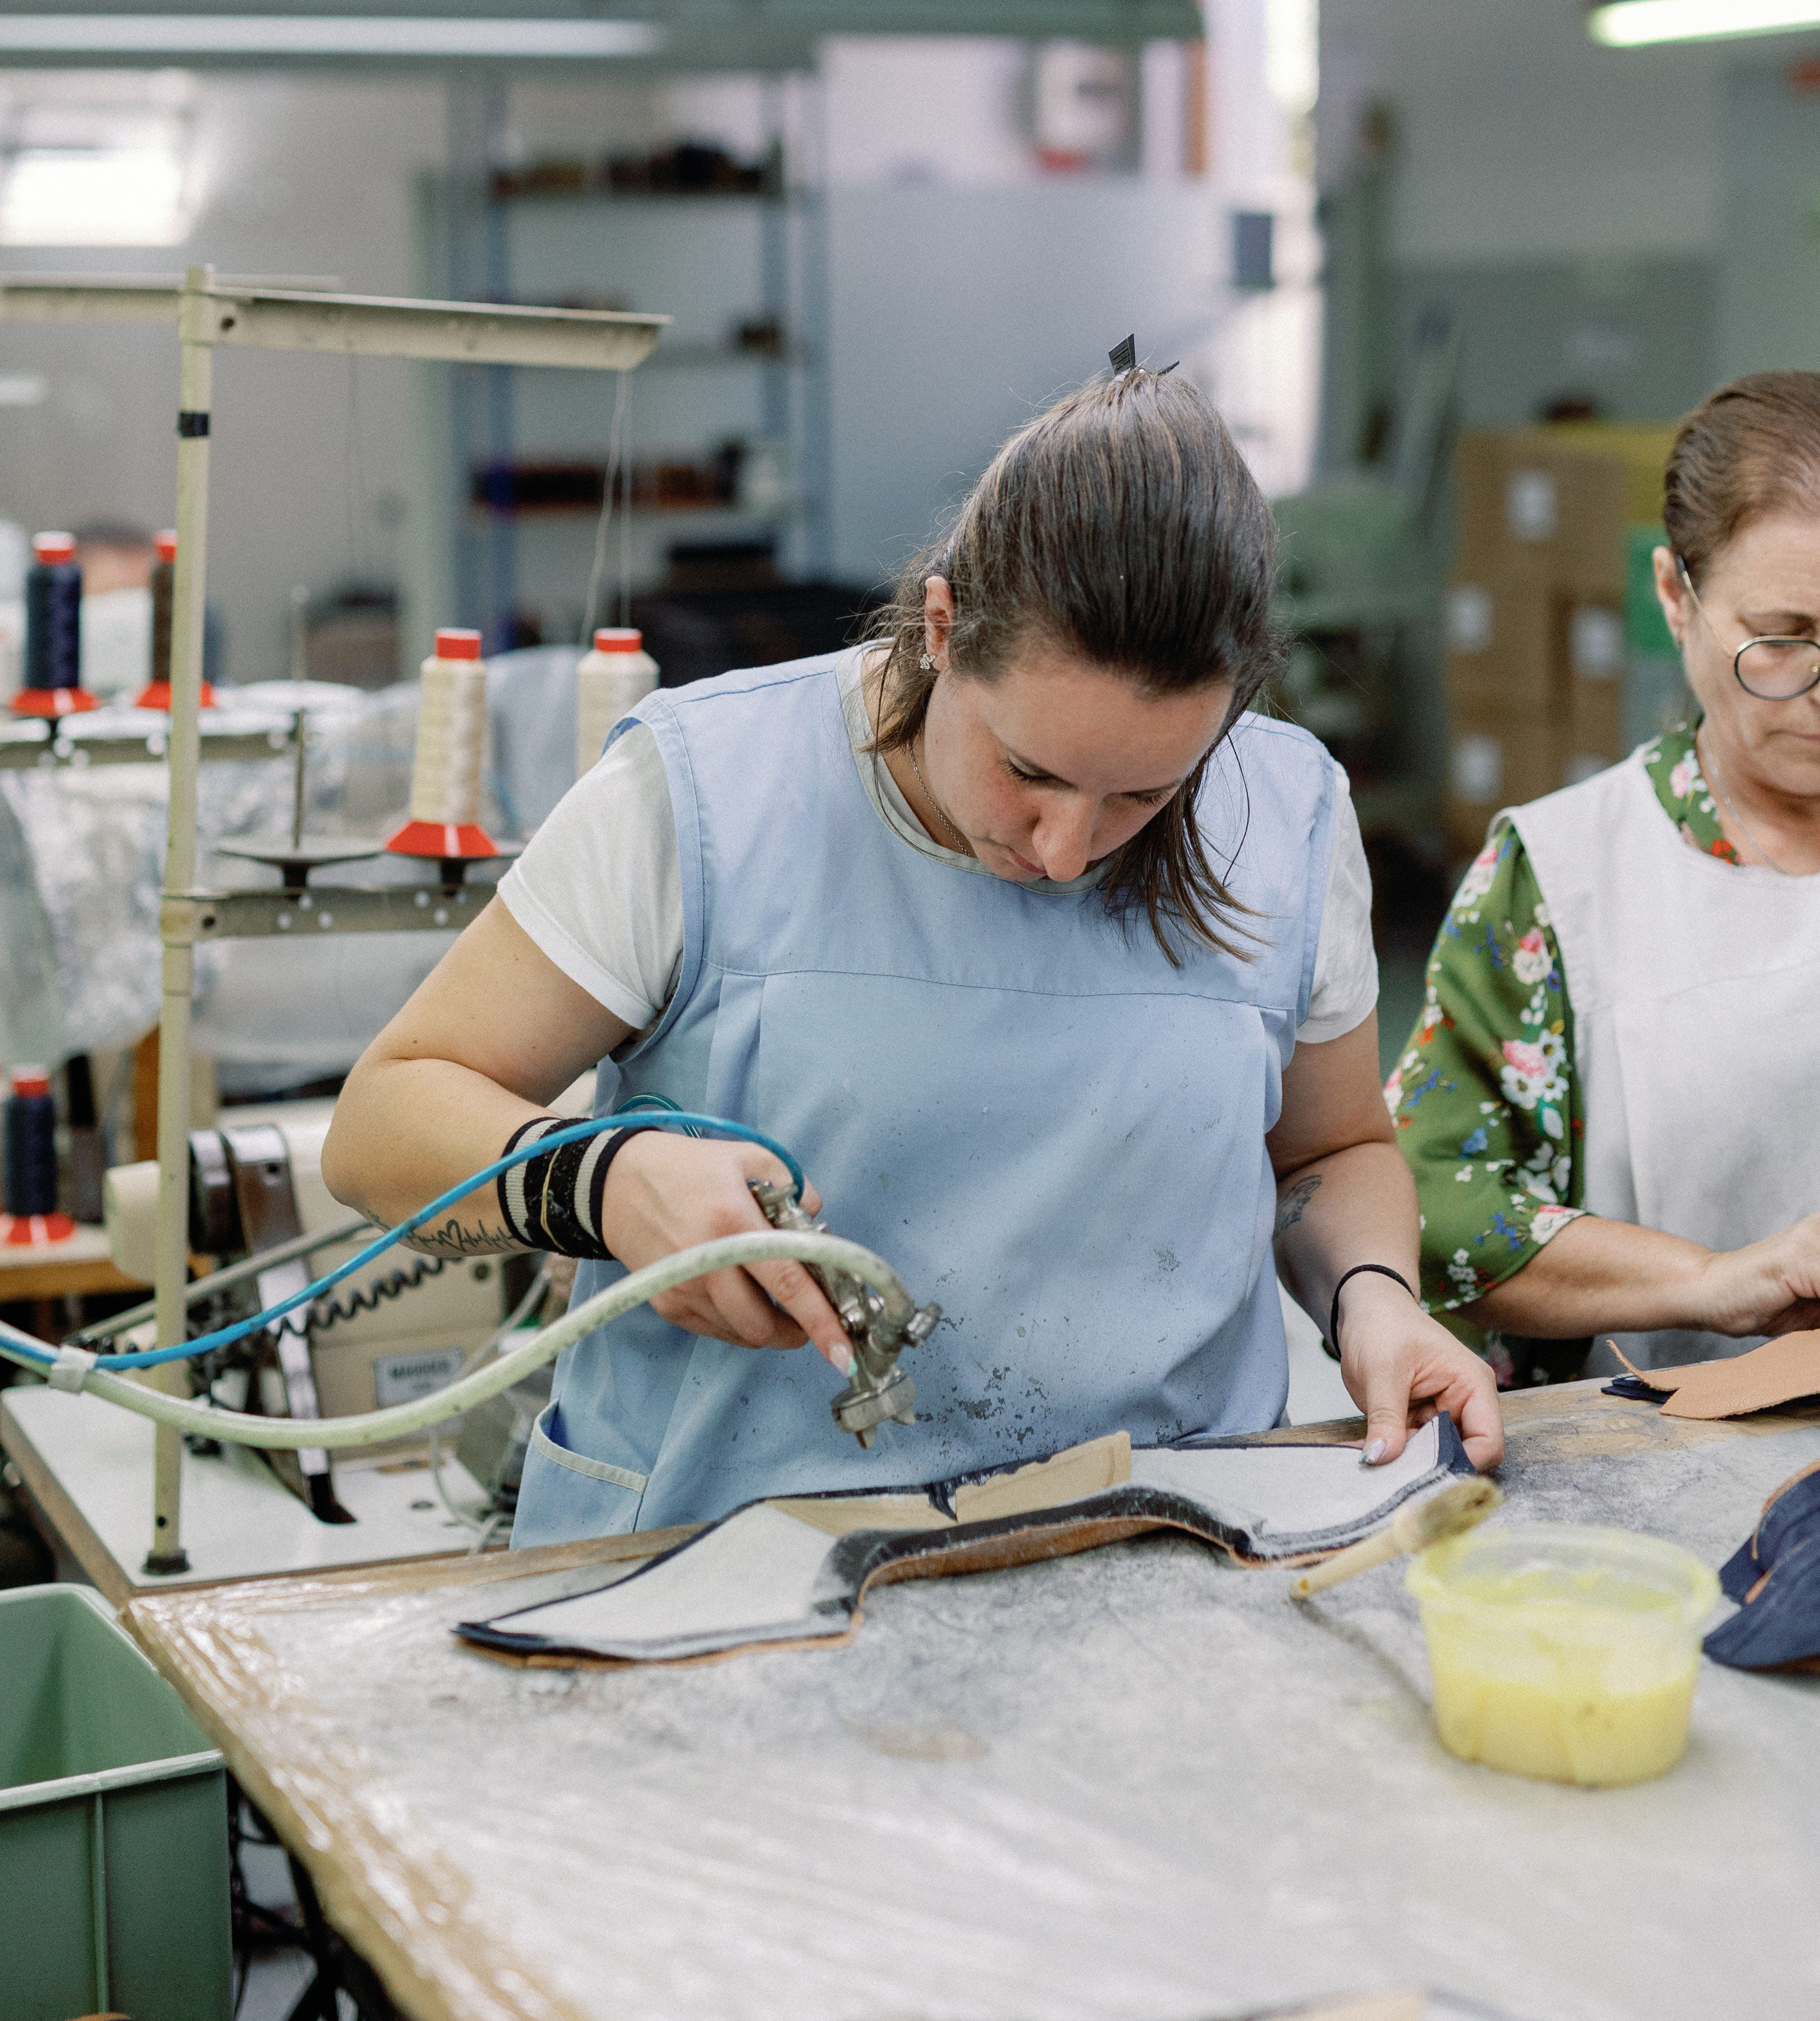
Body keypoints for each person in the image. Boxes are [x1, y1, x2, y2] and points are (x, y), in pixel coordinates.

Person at [326, 367, 1500, 1541]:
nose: (1064, 848)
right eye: (1028, 771)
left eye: (1146, 792)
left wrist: (1373, 1301)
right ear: (940, 629)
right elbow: (381, 1127)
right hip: (718, 1565)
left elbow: (1332, 1147)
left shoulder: (1284, 813)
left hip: (1157, 1549)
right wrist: (607, 1179)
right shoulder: (707, 796)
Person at [1390, 372, 1820, 1381]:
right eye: (1782, 641)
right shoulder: (1561, 881)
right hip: (1648, 1459)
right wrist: (1710, 1281)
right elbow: (1427, 1197)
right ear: (1675, 595)